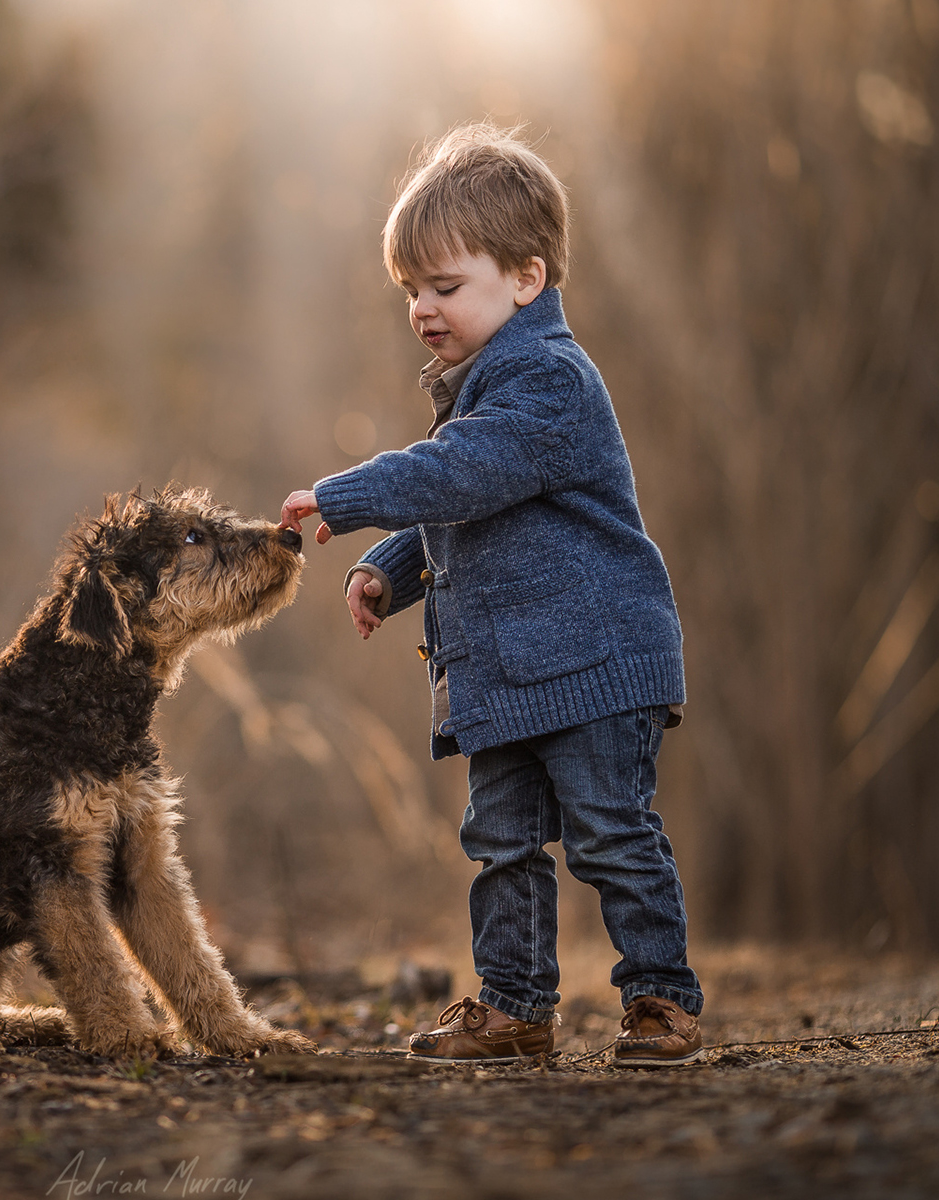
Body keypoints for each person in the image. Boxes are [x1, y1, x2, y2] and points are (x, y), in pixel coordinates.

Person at [280, 123, 703, 1067]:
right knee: (499, 844)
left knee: (609, 835)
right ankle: (515, 1007)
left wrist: (346, 499)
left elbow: (464, 473)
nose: (423, 309)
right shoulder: (483, 386)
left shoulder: (548, 379)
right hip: (511, 674)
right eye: (411, 291)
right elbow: (471, 505)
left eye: (445, 285)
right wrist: (390, 569)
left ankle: (660, 1001)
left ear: (526, 277)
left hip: (595, 663)